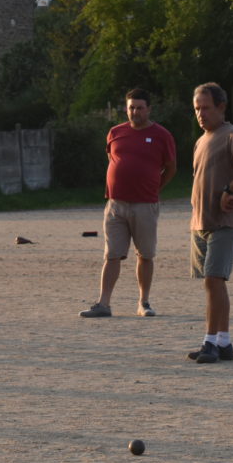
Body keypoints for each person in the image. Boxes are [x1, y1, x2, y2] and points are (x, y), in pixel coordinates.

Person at [80, 88, 177, 318]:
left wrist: (155, 187)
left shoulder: (162, 135)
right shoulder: (115, 132)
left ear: (149, 109)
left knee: (145, 254)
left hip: (145, 204)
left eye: (140, 108)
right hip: (116, 205)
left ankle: (144, 302)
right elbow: (112, 159)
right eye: (131, 107)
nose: (135, 112)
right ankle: (103, 303)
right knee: (112, 254)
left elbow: (171, 168)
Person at [188, 82, 233, 363]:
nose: (201, 114)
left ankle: (209, 342)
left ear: (221, 107)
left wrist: (231, 190)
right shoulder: (201, 140)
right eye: (197, 108)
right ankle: (223, 341)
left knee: (214, 280)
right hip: (201, 222)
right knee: (214, 283)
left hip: (224, 222)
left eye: (206, 108)